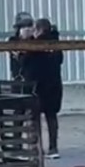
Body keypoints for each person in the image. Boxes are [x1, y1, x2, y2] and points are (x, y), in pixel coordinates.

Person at [22, 18, 65, 159]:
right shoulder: (56, 43)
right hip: (54, 85)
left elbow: (24, 61)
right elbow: (60, 61)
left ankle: (36, 147)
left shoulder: (35, 44)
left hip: (38, 86)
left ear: (38, 29)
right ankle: (53, 148)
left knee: (35, 117)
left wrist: (26, 40)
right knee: (51, 116)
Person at [7, 12, 35, 87]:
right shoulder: (13, 41)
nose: (27, 29)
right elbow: (18, 57)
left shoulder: (35, 41)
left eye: (29, 26)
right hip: (17, 78)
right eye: (23, 27)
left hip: (32, 78)